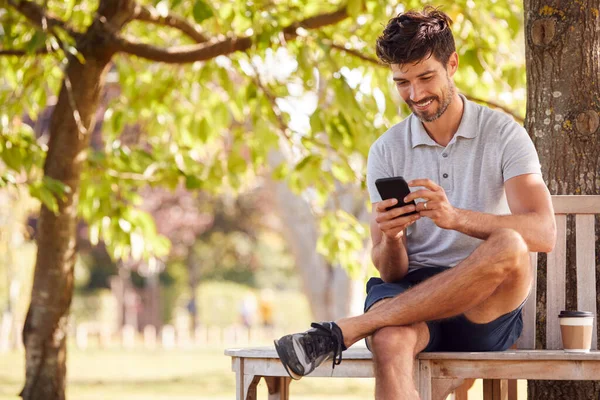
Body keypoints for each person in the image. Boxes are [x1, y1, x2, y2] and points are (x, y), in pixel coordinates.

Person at [274, 6, 557, 399]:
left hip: (482, 304)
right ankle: (357, 328)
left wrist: (455, 218)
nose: (416, 94)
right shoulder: (386, 150)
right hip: (410, 290)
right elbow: (391, 273)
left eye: (426, 77)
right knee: (390, 341)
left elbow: (543, 232)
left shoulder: (503, 134)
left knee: (510, 243)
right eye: (402, 82)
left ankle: (348, 330)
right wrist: (391, 239)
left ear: (452, 64)